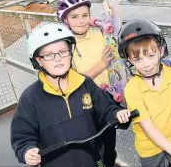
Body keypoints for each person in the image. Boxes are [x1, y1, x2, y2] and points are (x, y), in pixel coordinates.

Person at [10, 23, 131, 167]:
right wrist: (27, 150)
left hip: (92, 160)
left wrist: (117, 114)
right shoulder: (31, 98)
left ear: (70, 52)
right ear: (38, 60)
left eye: (63, 51)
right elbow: (22, 135)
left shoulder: (85, 83)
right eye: (48, 55)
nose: (58, 58)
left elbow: (105, 108)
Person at [118, 19, 171, 167]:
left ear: (160, 50)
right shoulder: (132, 88)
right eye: (138, 59)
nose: (146, 64)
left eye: (150, 55)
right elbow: (147, 127)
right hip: (150, 146)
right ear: (129, 59)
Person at [56, 0, 119, 167]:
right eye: (74, 17)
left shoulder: (98, 35)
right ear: (65, 20)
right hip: (83, 106)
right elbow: (73, 80)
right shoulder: (65, 45)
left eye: (85, 15)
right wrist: (102, 65)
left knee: (109, 145)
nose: (81, 21)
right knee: (91, 149)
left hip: (106, 100)